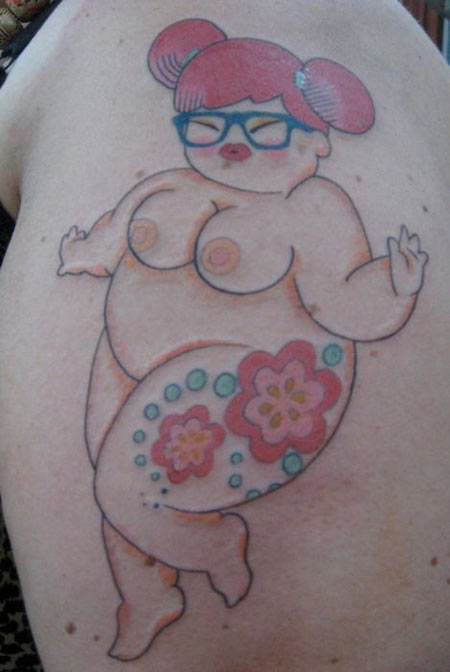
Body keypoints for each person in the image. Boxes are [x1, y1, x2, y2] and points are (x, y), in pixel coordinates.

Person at [0, 1, 449, 670]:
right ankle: (147, 594)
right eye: (206, 128)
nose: (231, 145)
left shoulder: (311, 206)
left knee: (123, 493)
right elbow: (113, 232)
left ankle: (212, 546)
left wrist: (398, 285)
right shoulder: (173, 182)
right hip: (135, 378)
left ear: (318, 140)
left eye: (263, 129)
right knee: (117, 496)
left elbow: (347, 305)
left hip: (251, 386)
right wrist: (87, 251)